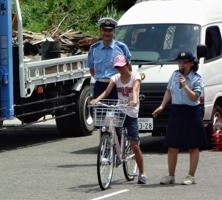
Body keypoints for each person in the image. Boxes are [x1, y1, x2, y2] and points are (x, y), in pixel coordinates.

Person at [90, 55, 147, 184]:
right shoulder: (115, 78)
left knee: (134, 145)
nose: (120, 69)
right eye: (117, 67)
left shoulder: (135, 76)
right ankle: (113, 150)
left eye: (122, 66)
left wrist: (134, 100)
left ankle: (142, 173)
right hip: (120, 109)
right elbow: (106, 91)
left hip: (131, 112)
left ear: (127, 65)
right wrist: (96, 100)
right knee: (110, 127)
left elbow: (135, 89)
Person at [152, 51, 206, 185]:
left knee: (193, 145)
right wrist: (162, 106)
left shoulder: (197, 78)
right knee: (172, 145)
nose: (181, 64)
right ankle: (171, 175)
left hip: (192, 111)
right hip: (177, 110)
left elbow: (195, 96)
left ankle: (191, 176)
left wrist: (185, 85)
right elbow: (169, 90)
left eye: (185, 62)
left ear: (191, 63)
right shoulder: (175, 75)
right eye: (179, 62)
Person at [88, 17, 131, 99]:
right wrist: (100, 78)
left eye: (109, 30)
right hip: (99, 85)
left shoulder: (122, 47)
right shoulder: (94, 48)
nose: (107, 33)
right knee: (99, 111)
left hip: (117, 85)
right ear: (100, 31)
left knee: (118, 111)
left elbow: (128, 67)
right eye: (104, 30)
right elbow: (91, 69)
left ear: (114, 31)